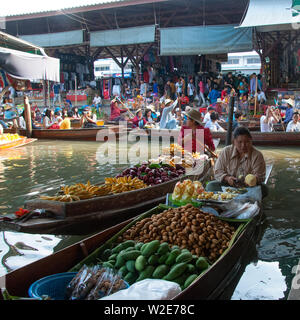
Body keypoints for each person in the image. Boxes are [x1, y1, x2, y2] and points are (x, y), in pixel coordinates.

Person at [207, 126, 266, 196]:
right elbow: (218, 171)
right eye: (240, 142)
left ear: (251, 141)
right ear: (234, 141)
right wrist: (227, 178)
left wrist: (253, 180)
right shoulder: (226, 151)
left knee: (264, 189)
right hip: (228, 186)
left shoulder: (257, 155)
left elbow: (260, 176)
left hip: (249, 188)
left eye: (247, 142)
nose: (243, 145)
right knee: (211, 186)